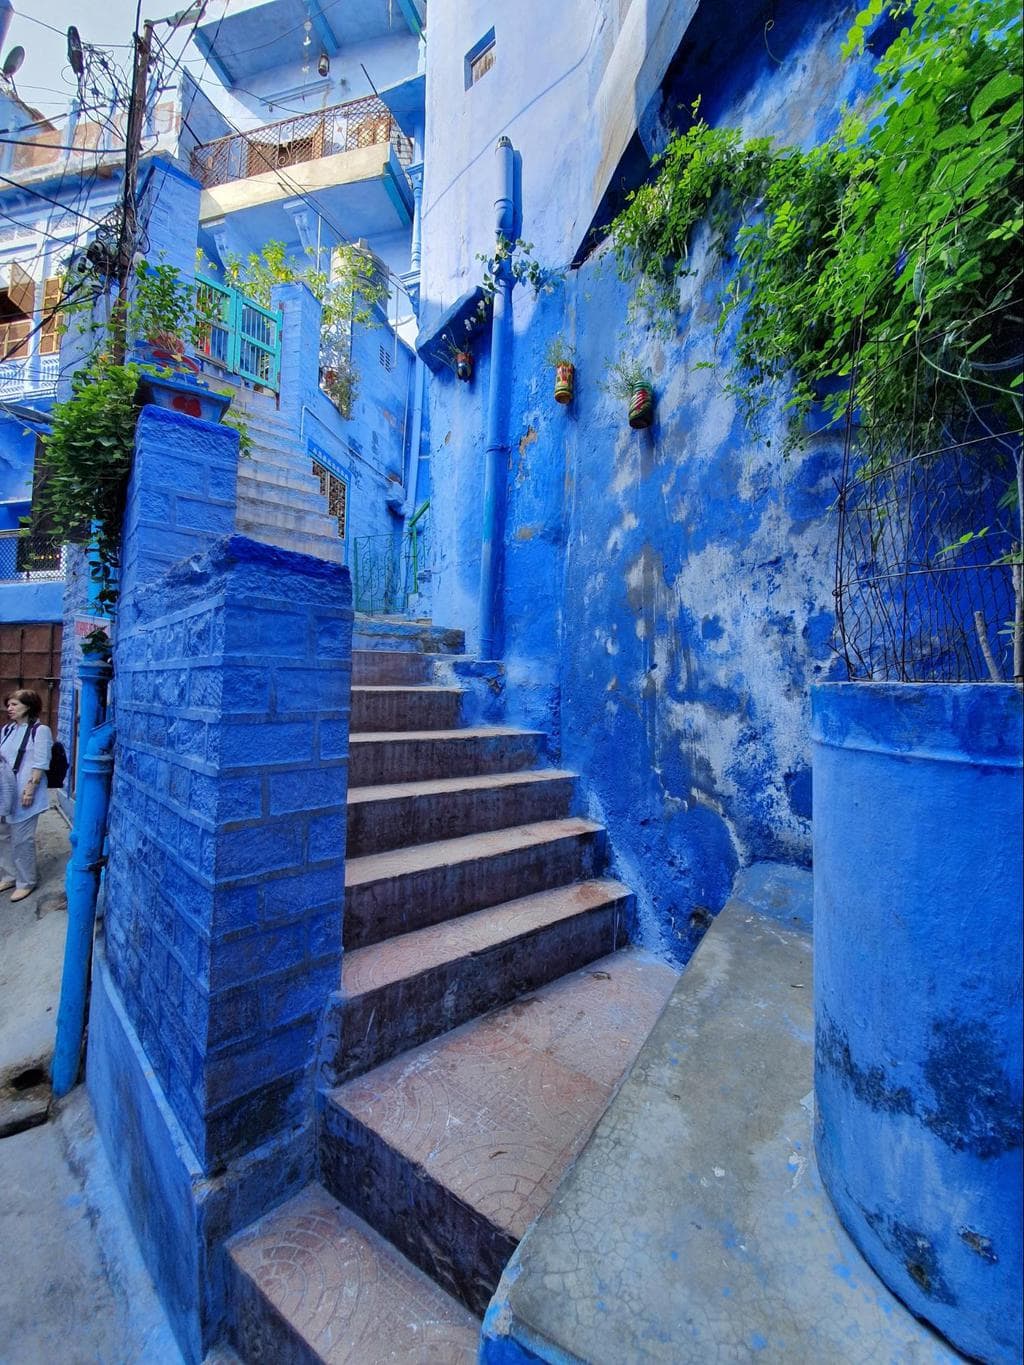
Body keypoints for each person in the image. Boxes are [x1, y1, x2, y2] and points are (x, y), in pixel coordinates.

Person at [0, 689, 52, 902]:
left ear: (28, 706)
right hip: (5, 791)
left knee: (22, 838)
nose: (9, 709)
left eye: (14, 705)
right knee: (3, 835)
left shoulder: (40, 731)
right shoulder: (7, 730)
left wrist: (30, 790)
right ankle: (9, 875)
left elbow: (40, 763)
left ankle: (26, 881)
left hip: (25, 792)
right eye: (9, 704)